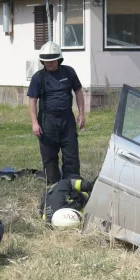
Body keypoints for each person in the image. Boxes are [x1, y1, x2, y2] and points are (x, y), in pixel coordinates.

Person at [27, 41, 85, 185]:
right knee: (49, 155)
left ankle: (72, 184)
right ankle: (53, 186)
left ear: (58, 59)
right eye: (45, 61)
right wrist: (35, 123)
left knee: (71, 153)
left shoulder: (69, 72)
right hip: (47, 120)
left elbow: (78, 91)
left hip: (67, 119)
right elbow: (33, 100)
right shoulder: (38, 77)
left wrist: (81, 114)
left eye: (51, 61)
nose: (48, 64)